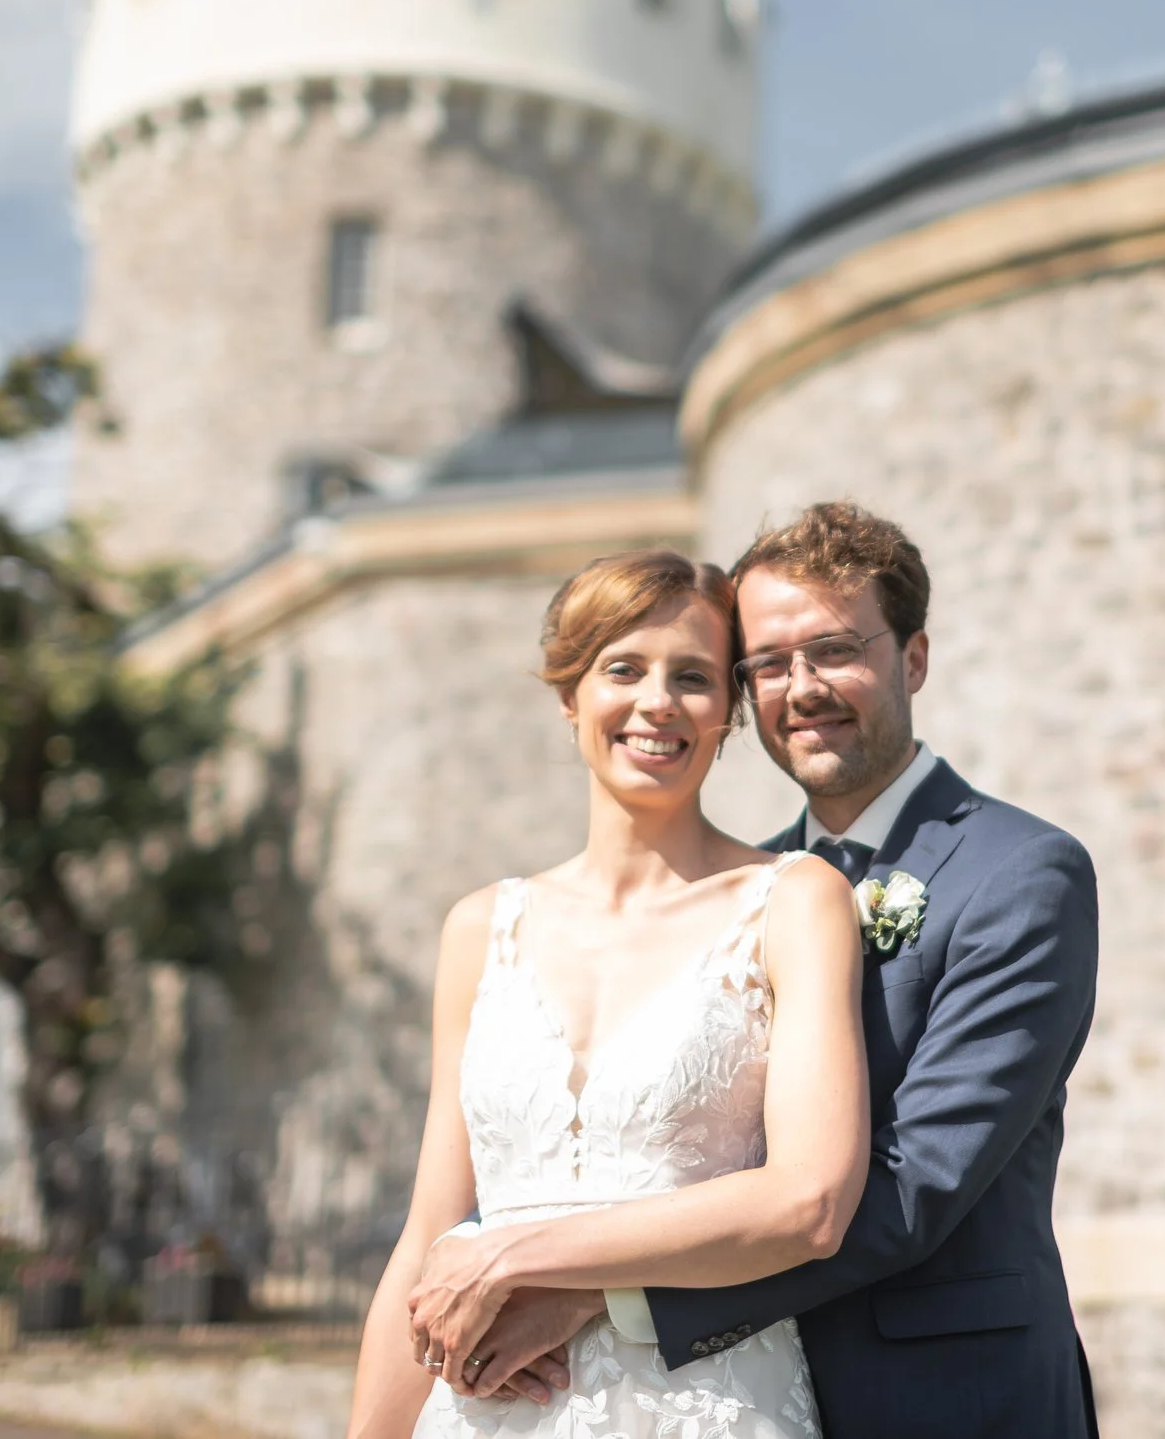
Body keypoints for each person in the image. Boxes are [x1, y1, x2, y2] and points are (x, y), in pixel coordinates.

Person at [423, 503, 1103, 1439]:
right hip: (742, 1387)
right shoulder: (758, 889)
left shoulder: (1019, 872)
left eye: (834, 650)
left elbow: (913, 1185)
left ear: (913, 659)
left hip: (947, 1395)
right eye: (771, 663)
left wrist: (598, 1294)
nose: (803, 686)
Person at [346, 549, 864, 1439]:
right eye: (623, 668)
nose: (657, 701)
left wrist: (510, 1255)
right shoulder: (481, 927)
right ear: (569, 697)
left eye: (693, 677)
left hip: (710, 1409)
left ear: (727, 715)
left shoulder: (794, 900)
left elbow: (807, 1202)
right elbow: (426, 1235)